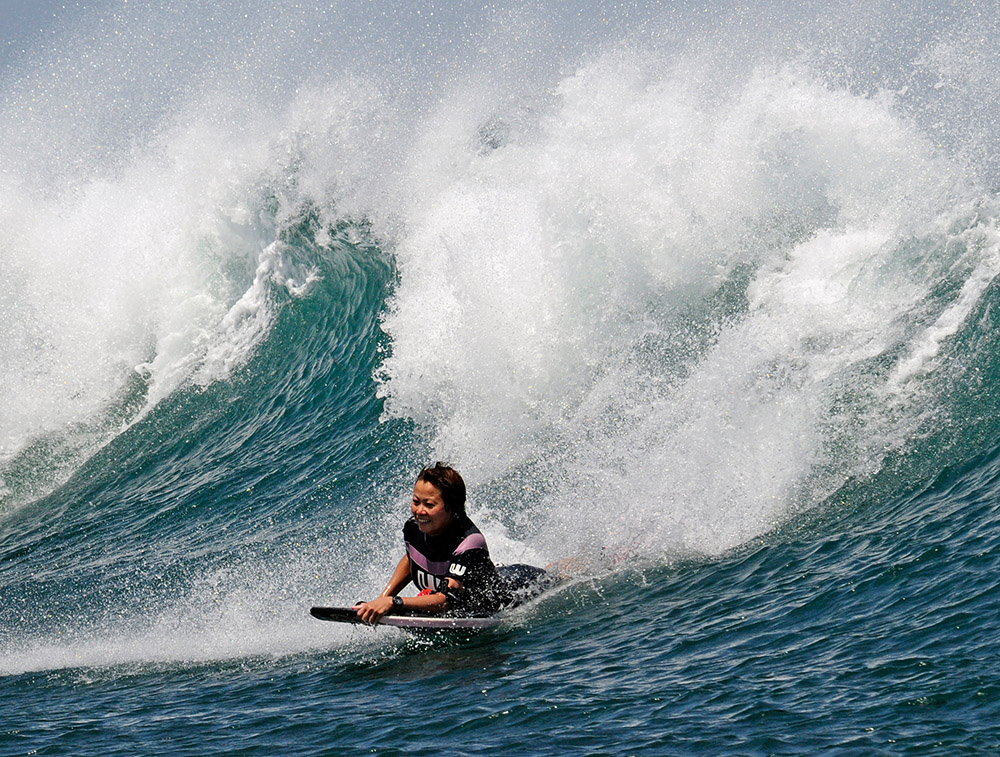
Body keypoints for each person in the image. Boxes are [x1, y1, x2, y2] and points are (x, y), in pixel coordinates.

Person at [354, 463, 546, 624]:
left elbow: (444, 601)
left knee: (559, 576)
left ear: (452, 507)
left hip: (516, 587)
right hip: (486, 578)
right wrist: (382, 599)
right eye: (416, 501)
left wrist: (394, 602)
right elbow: (411, 558)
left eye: (429, 505)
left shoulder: (469, 542)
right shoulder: (414, 529)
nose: (419, 511)